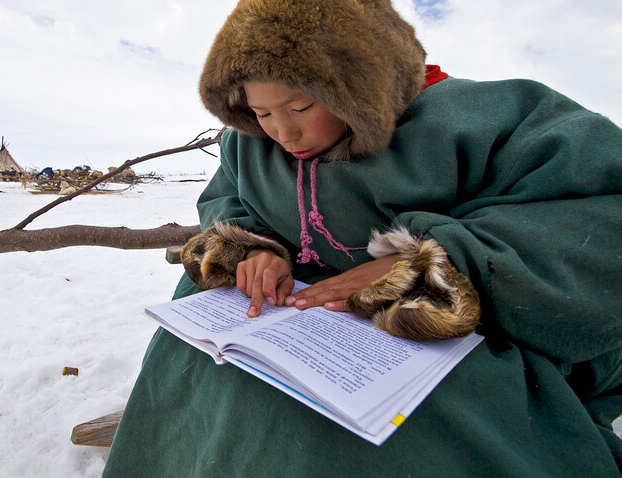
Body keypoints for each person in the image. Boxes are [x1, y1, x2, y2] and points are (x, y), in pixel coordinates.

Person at [103, 0, 622, 475]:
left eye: (301, 107)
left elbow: (597, 214)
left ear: (358, 82)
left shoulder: (486, 119)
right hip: (305, 322)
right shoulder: (249, 147)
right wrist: (254, 247)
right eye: (260, 113)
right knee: (201, 355)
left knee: (334, 434)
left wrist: (433, 263)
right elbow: (230, 200)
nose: (281, 133)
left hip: (462, 333)